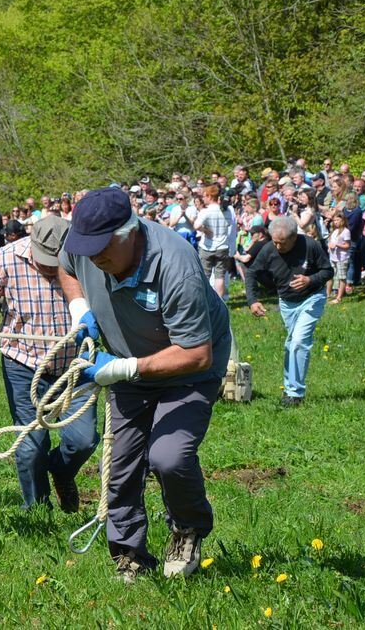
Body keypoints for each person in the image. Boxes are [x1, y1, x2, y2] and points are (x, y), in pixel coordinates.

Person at [57, 187, 232, 582]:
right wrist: (80, 309)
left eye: (101, 248)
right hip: (129, 363)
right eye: (87, 249)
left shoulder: (175, 265)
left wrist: (120, 369)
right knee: (121, 465)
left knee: (169, 457)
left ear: (128, 232)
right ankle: (129, 555)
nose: (94, 259)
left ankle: (187, 529)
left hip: (187, 371)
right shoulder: (85, 249)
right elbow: (65, 267)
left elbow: (195, 352)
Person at [0, 216, 98, 511]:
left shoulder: (88, 260)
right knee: (31, 446)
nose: (50, 267)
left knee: (84, 439)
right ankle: (37, 509)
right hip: (23, 362)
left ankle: (61, 471)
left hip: (77, 365)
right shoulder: (7, 257)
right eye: (45, 259)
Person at [245, 216, 332, 406]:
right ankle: (289, 388)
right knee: (291, 344)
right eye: (275, 242)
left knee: (300, 342)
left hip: (312, 297)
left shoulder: (311, 245)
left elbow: (328, 271)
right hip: (286, 302)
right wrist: (253, 300)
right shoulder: (269, 249)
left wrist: (310, 280)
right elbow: (251, 272)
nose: (277, 247)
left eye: (282, 243)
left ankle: (295, 393)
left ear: (294, 238)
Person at [194, 184, 231, 297]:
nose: (203, 198)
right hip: (222, 246)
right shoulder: (226, 211)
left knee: (205, 275)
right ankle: (219, 301)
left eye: (205, 196)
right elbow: (229, 223)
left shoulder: (206, 211)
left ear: (210, 196)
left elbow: (196, 225)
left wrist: (205, 230)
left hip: (207, 247)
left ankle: (205, 299)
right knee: (219, 276)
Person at [326, 211, 351, 304]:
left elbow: (348, 245)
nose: (336, 222)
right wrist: (330, 246)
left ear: (343, 220)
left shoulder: (346, 231)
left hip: (342, 258)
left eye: (338, 220)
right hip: (333, 257)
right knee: (330, 275)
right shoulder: (334, 231)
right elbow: (331, 242)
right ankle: (328, 294)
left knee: (342, 277)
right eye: (334, 220)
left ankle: (339, 298)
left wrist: (337, 245)